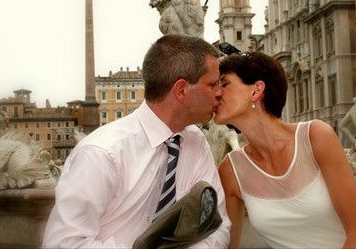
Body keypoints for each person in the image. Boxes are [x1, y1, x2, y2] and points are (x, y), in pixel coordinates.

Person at [43, 34, 230, 248]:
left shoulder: (196, 142)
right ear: (181, 90)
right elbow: (63, 244)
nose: (220, 93)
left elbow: (219, 225)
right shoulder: (100, 154)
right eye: (213, 84)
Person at [214, 51, 356, 249]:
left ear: (256, 90)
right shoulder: (230, 171)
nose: (217, 92)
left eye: (224, 84)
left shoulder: (316, 137)